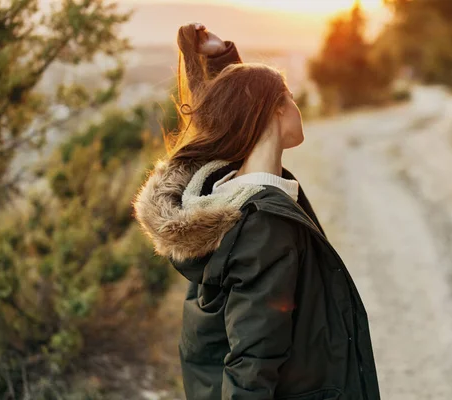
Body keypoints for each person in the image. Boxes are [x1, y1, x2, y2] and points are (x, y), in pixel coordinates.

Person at [132, 22, 381, 400]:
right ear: (275, 110)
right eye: (291, 97)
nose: (297, 106)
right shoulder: (264, 223)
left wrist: (220, 60)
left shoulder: (225, 194)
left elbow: (241, 107)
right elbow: (253, 356)